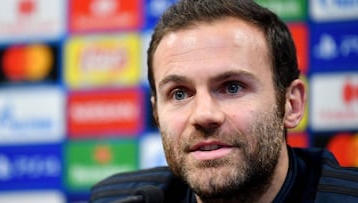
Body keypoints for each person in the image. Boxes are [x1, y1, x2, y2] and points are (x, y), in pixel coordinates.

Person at [90, 0, 358, 202]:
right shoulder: (116, 198)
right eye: (180, 93)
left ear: (291, 104)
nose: (204, 115)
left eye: (232, 87)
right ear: (157, 113)